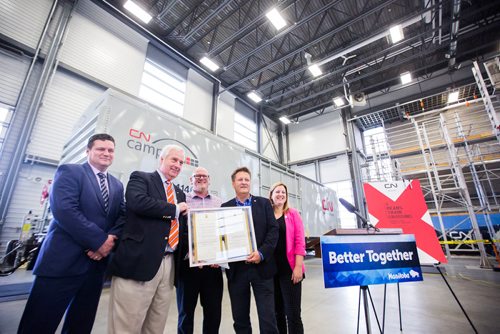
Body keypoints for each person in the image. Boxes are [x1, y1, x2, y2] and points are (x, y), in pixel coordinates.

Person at [18, 133, 126, 334]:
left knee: (80, 325)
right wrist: (99, 241)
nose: (106, 153)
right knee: (39, 324)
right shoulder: (70, 171)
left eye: (110, 150)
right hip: (62, 264)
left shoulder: (117, 185)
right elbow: (65, 211)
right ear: (88, 151)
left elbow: (121, 216)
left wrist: (109, 242)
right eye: (100, 149)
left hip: (95, 267)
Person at [107, 144, 188, 334]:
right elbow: (137, 202)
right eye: (174, 159)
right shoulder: (141, 178)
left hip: (168, 264)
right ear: (162, 159)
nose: (177, 165)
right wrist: (175, 209)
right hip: (139, 261)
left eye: (181, 162)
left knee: (155, 325)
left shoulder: (179, 193)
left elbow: (179, 228)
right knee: (126, 325)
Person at [221, 167, 279, 334]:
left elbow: (273, 231)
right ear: (233, 183)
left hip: (262, 268)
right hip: (237, 271)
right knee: (240, 319)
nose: (244, 182)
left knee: (268, 317)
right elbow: (222, 237)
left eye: (247, 179)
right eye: (240, 179)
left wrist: (261, 253)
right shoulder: (225, 207)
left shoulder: (263, 203)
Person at [177, 167, 224, 334]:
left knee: (213, 313)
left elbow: (223, 232)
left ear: (209, 179)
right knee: (185, 313)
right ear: (191, 180)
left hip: (213, 267)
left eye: (204, 176)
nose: (201, 178)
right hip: (188, 266)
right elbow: (176, 231)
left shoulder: (219, 202)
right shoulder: (182, 201)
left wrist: (221, 257)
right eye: (197, 176)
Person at [269, 182, 306, 334]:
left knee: (293, 314)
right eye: (277, 191)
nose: (280, 194)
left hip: (289, 270)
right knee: (277, 313)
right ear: (271, 195)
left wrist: (298, 267)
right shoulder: (267, 214)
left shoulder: (293, 214)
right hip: (271, 272)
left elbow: (299, 241)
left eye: (283, 192)